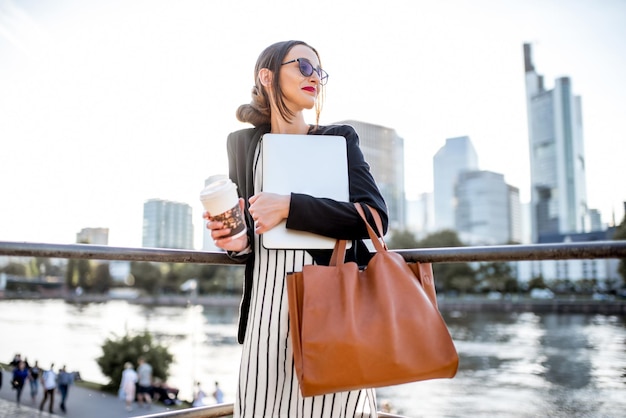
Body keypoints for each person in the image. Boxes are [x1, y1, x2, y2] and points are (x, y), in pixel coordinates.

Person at [204, 40, 388, 417]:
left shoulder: (339, 138)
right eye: (304, 67)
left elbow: (374, 218)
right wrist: (235, 241)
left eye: (319, 71)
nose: (314, 78)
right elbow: (247, 241)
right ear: (266, 75)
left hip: (334, 312)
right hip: (265, 318)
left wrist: (290, 205)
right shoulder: (241, 144)